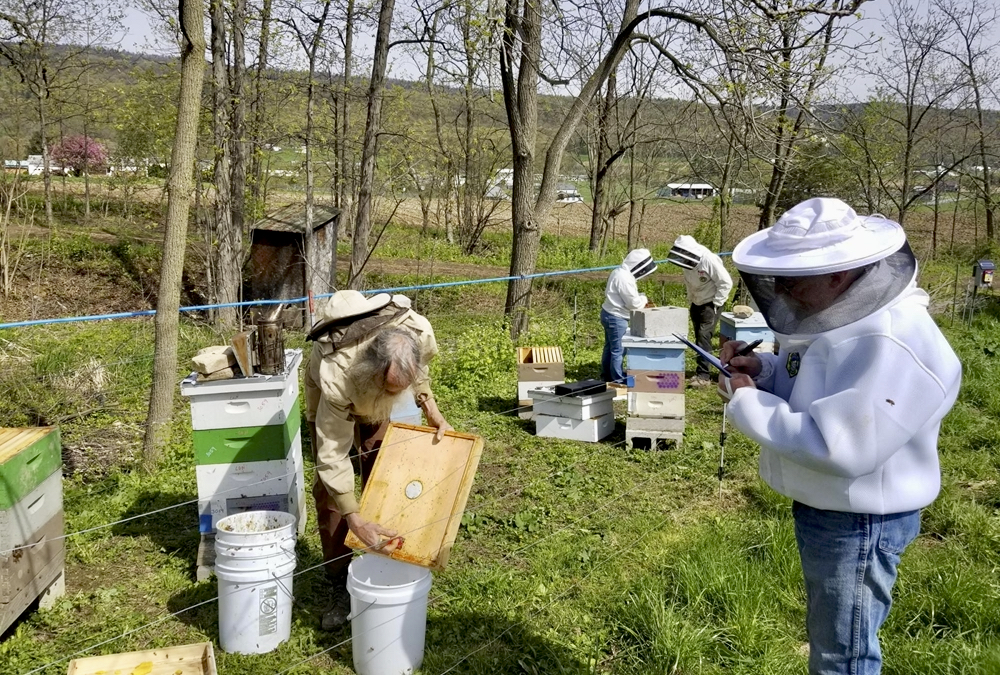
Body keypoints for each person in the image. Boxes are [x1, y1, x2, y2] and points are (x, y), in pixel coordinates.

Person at [718, 197, 961, 674]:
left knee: (841, 654)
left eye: (794, 278)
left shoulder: (892, 340)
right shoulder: (843, 312)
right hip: (834, 506)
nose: (783, 290)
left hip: (860, 518)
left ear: (837, 274)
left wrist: (747, 400)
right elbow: (819, 381)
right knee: (834, 641)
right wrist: (763, 371)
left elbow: (840, 445)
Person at [304, 290, 453, 630]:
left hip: (378, 374)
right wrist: (353, 514)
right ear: (372, 373)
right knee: (330, 493)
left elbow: (419, 371)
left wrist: (428, 405)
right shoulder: (337, 374)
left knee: (382, 465)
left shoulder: (415, 331)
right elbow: (332, 452)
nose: (393, 396)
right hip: (331, 392)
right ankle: (339, 581)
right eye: (388, 390)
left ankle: (384, 561)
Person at [666, 235, 733, 387]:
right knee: (698, 338)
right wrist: (691, 300)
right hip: (696, 302)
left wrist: (716, 303)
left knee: (703, 337)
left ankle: (704, 376)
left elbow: (726, 282)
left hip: (710, 303)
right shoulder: (686, 261)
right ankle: (701, 371)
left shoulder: (709, 260)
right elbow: (689, 283)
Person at [601, 248, 657, 386]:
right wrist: (643, 298)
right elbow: (633, 303)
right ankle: (617, 379)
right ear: (638, 265)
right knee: (618, 350)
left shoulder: (619, 272)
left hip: (608, 313)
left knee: (610, 347)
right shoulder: (624, 278)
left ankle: (607, 376)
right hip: (616, 317)